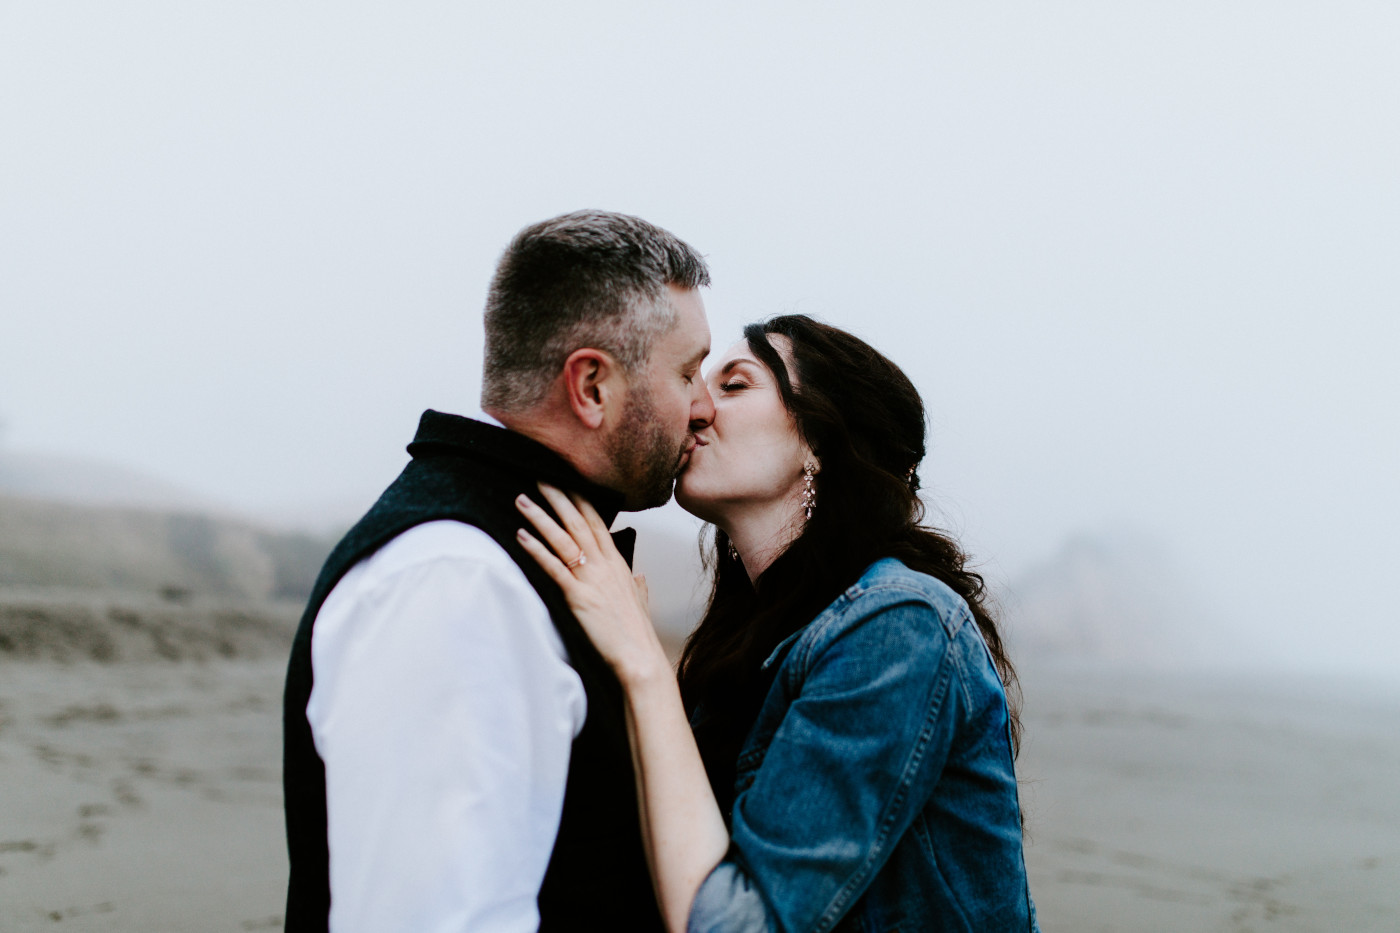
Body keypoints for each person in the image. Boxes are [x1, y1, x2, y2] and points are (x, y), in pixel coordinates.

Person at [516, 314, 1040, 932]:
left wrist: (641, 662)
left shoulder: (899, 625)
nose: (696, 410)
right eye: (696, 383)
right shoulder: (754, 641)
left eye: (734, 386)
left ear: (819, 438)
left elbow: (738, 925)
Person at [281, 210, 715, 932]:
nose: (701, 408)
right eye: (687, 370)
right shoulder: (452, 582)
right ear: (593, 387)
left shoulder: (509, 558)